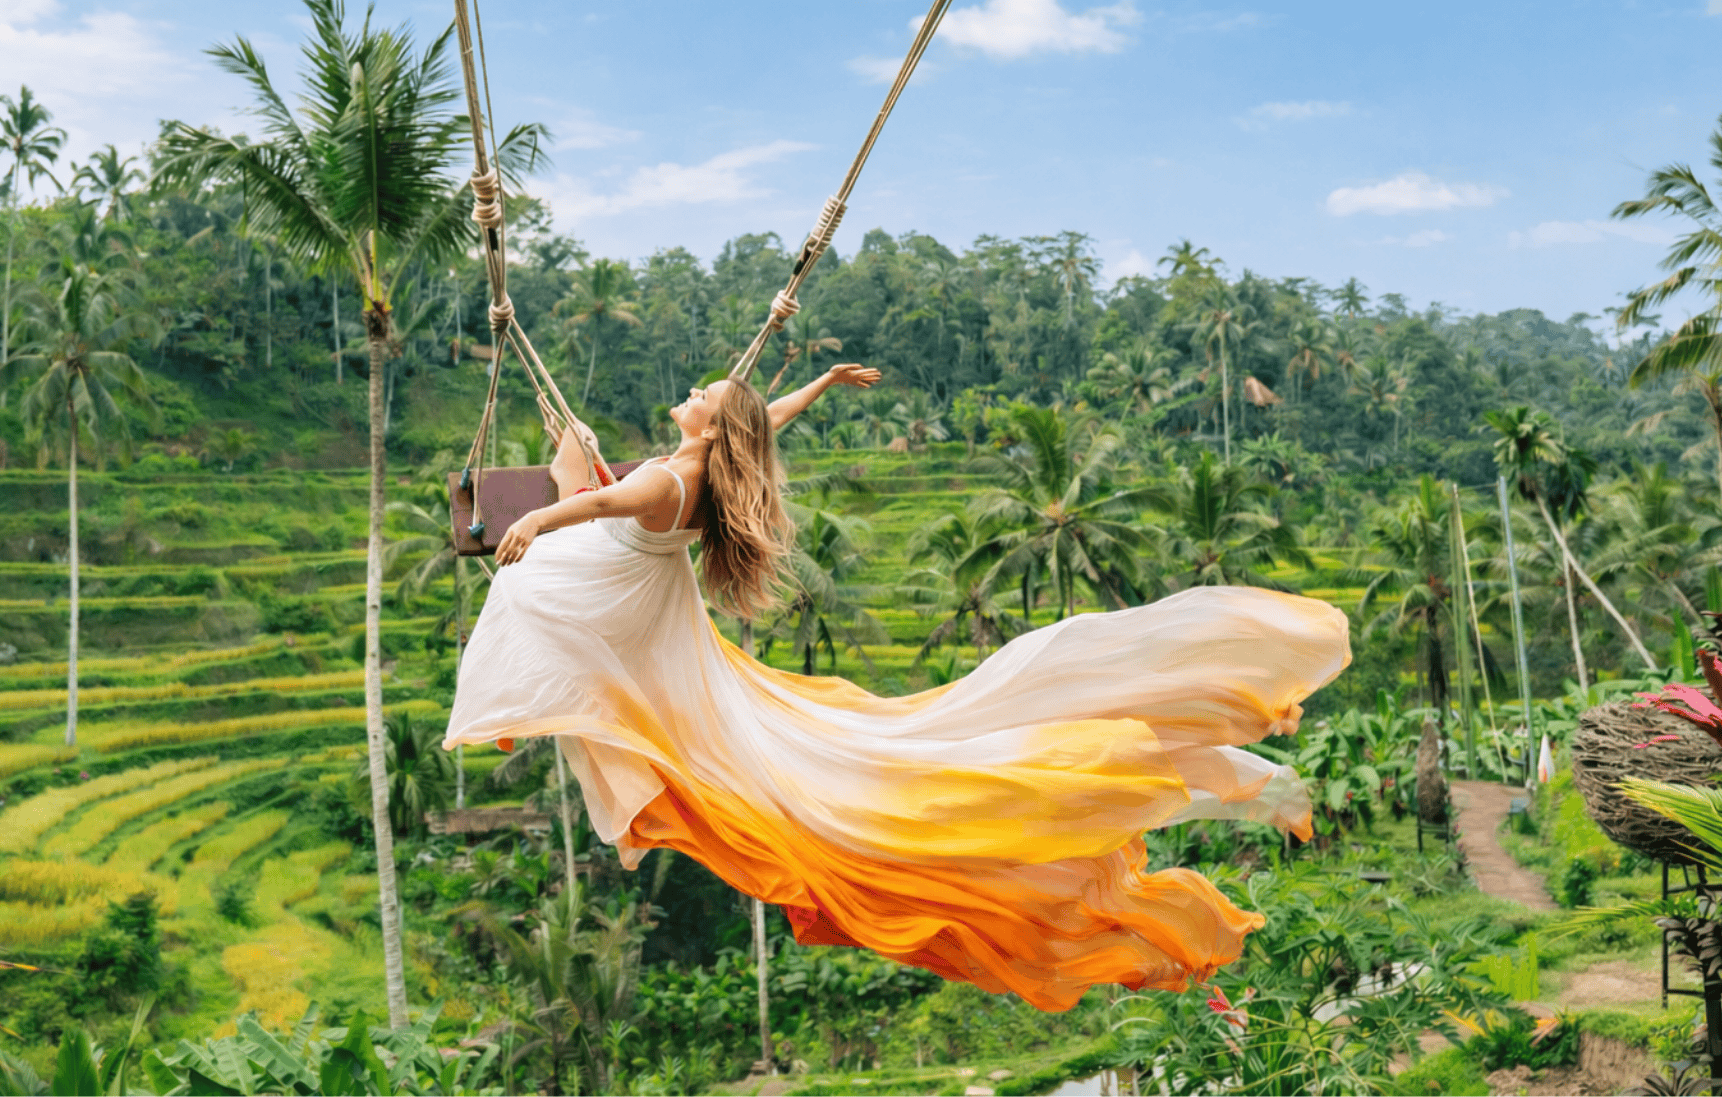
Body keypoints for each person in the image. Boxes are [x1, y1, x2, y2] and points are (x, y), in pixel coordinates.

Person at [444, 363, 1351, 1012]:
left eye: (701, 399)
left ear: (712, 429)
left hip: (614, 593)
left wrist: (535, 524)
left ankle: (521, 703)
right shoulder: (718, 465)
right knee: (573, 495)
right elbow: (768, 420)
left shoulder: (657, 481)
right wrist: (823, 384)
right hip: (645, 606)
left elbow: (598, 504)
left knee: (540, 571)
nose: (689, 396)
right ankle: (532, 700)